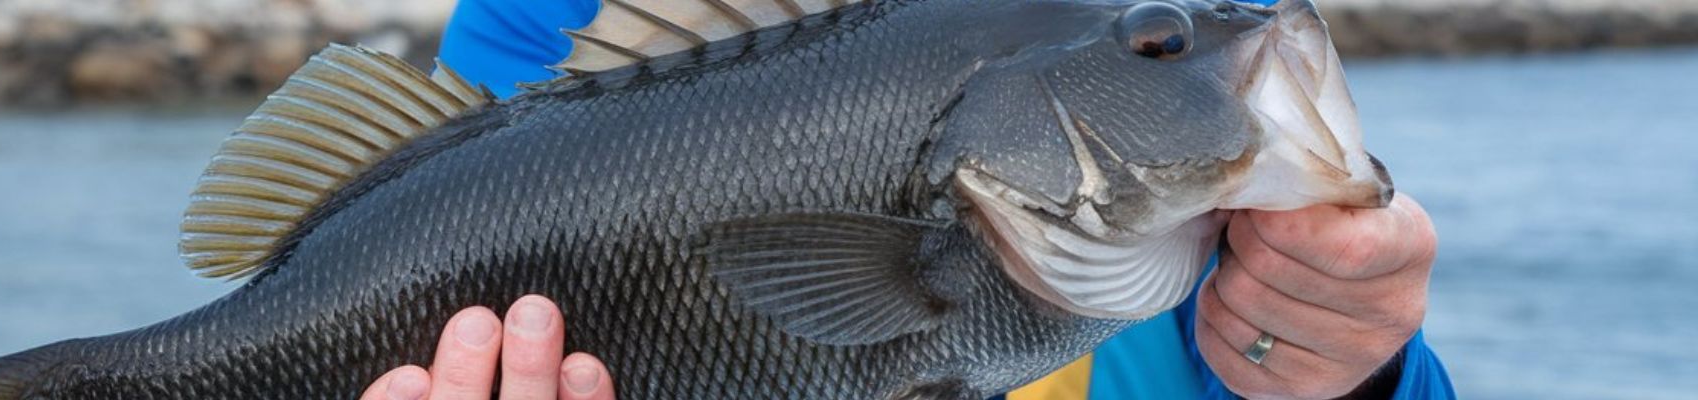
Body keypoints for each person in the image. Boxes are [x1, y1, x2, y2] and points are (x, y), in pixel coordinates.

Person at [360, 0, 1455, 398]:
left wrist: (1347, 366)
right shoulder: (540, 15)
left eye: (1161, 39)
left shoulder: (1187, 46)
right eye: (1163, 42)